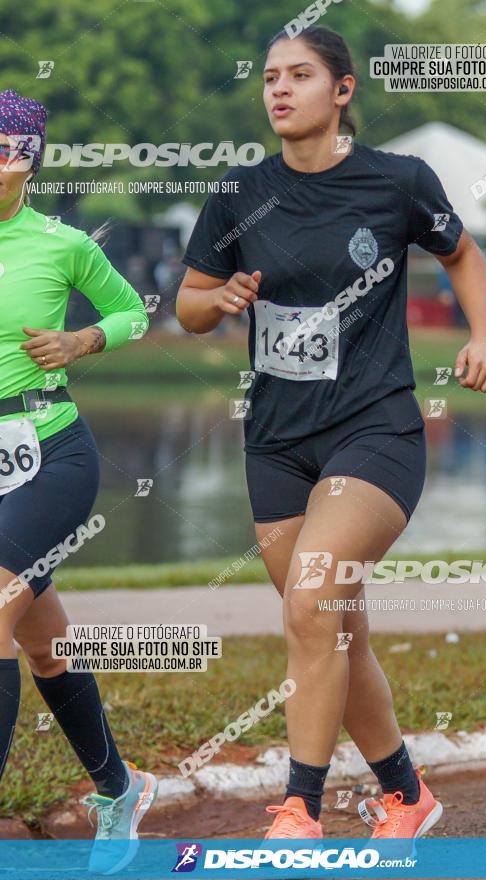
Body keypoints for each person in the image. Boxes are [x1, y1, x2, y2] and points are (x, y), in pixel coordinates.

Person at [176, 27, 486, 841]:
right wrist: (216, 305)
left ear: (343, 90)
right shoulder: (237, 193)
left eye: (299, 76)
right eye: (269, 78)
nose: (278, 90)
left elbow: (462, 253)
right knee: (327, 625)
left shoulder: (396, 182)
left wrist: (485, 336)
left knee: (315, 604)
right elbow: (186, 302)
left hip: (376, 430)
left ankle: (299, 808)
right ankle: (406, 794)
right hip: (278, 442)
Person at [0, 90, 156, 871]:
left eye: (4, 145)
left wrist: (82, 338)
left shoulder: (61, 243)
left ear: (31, 158)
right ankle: (120, 789)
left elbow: (135, 313)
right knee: (44, 644)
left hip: (54, 453)